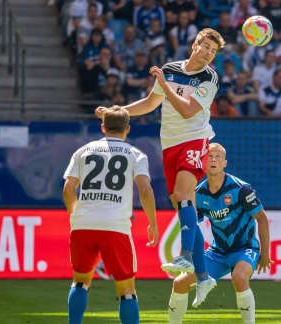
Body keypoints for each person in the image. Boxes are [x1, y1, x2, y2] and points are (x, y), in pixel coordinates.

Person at [95, 29, 226, 301]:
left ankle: (186, 257)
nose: (207, 53)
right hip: (170, 145)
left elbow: (188, 110)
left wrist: (165, 85)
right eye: (205, 47)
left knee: (181, 196)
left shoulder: (209, 78)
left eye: (212, 51)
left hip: (195, 140)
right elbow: (150, 103)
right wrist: (116, 111)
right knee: (183, 205)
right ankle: (203, 277)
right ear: (195, 45)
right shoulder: (170, 69)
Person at [63, 106, 159, 324]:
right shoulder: (136, 154)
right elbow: (145, 190)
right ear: (128, 129)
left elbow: (68, 190)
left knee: (80, 282)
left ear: (103, 127)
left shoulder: (83, 151)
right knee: (126, 290)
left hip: (83, 224)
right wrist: (153, 223)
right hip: (115, 226)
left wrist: (76, 215)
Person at [167, 143, 273, 324]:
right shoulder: (199, 193)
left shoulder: (241, 189)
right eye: (209, 156)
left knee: (239, 278)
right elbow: (191, 226)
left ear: (225, 163)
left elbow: (262, 219)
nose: (213, 159)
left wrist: (265, 253)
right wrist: (183, 256)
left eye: (218, 157)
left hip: (244, 249)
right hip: (217, 253)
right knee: (179, 283)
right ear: (203, 161)